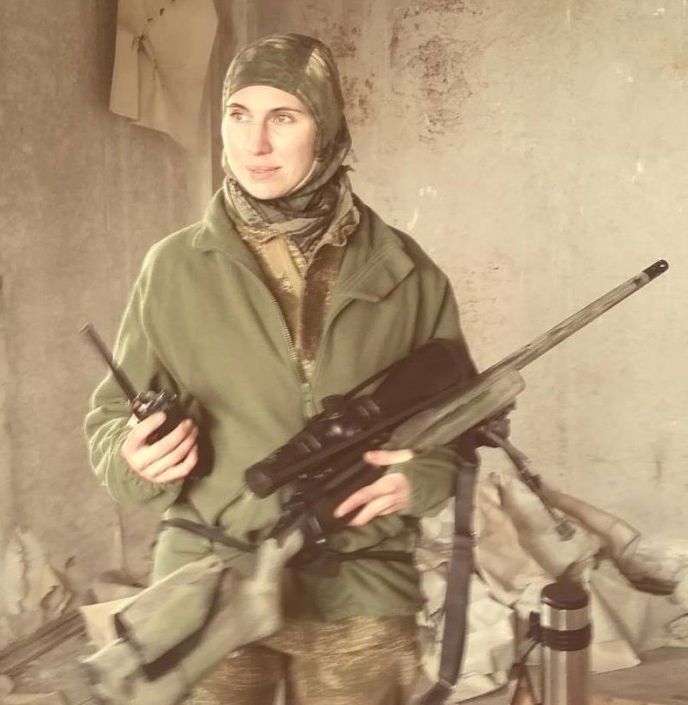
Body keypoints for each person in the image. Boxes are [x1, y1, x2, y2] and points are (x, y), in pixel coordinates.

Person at [85, 33, 476, 705]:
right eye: (238, 115)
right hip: (208, 581)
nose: (254, 143)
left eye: (283, 117)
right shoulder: (173, 268)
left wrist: (423, 475)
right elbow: (110, 419)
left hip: (359, 588)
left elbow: (461, 417)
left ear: (326, 127)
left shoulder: (407, 271)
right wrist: (135, 458)